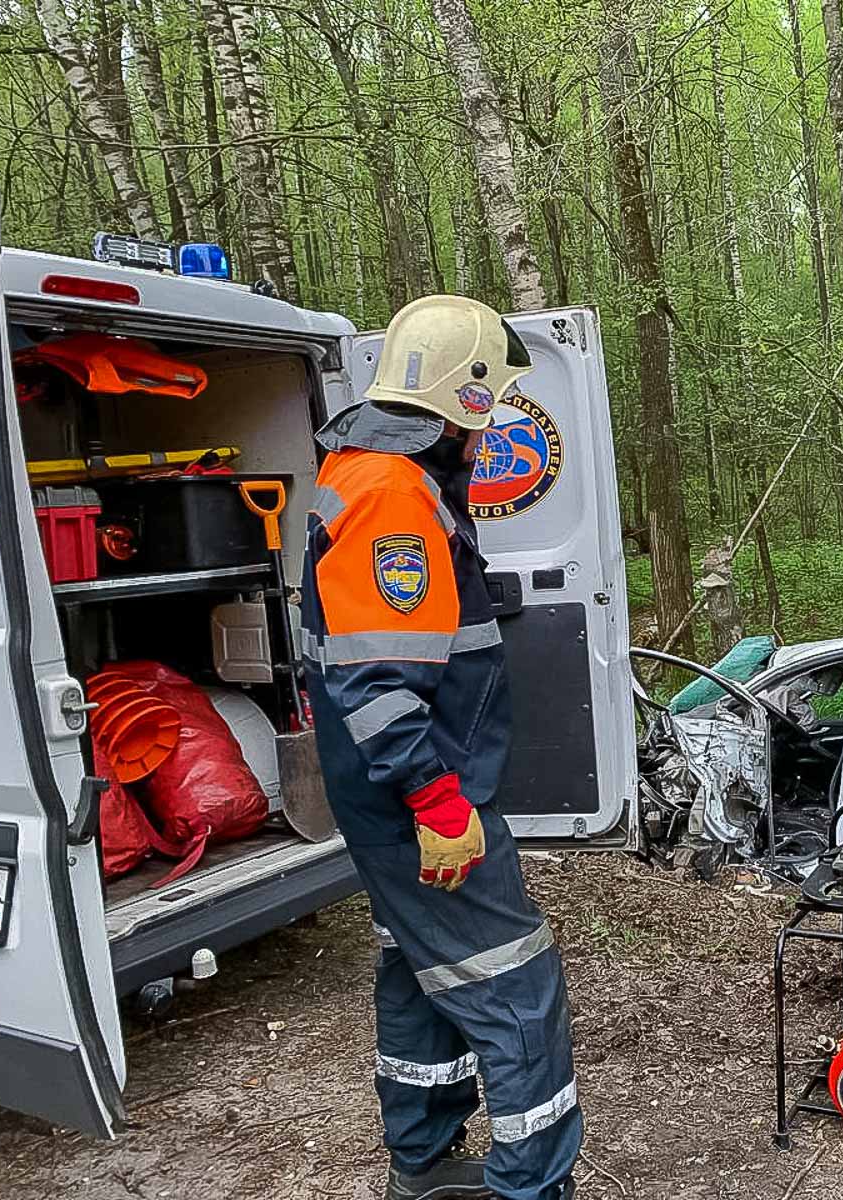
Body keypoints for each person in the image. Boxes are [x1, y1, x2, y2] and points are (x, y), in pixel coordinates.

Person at [300, 295, 580, 1200]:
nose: (489, 423)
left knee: (421, 972)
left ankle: (420, 1165)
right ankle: (533, 1187)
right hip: (417, 795)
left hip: (390, 791)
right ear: (461, 396)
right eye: (488, 401)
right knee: (515, 986)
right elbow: (379, 682)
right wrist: (439, 803)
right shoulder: (392, 491)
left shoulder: (371, 468)